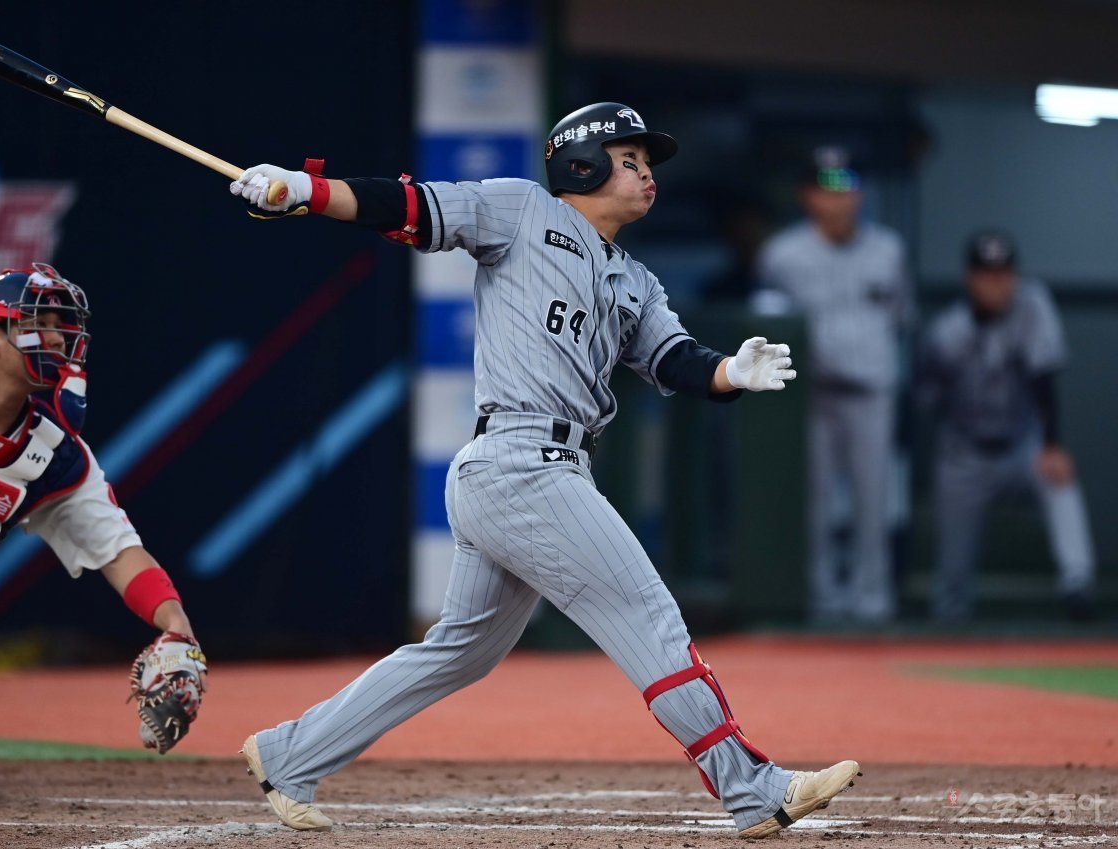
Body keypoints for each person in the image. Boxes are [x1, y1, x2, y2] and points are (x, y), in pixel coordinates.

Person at [230, 102, 859, 838]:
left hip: (536, 470)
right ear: (581, 165)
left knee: (460, 651)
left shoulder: (636, 279)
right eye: (631, 160)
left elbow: (673, 359)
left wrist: (730, 372)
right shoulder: (522, 209)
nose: (647, 174)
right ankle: (750, 787)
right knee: (649, 617)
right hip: (521, 461)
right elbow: (408, 206)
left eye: (648, 163)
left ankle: (291, 753)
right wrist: (305, 191)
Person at [0, 264, 207, 806]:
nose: (56, 337)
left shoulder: (55, 455)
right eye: (38, 322)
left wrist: (177, 630)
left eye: (62, 325)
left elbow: (119, 552)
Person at [755, 146, 913, 624]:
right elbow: (766, 324)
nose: (838, 198)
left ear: (860, 194)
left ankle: (872, 599)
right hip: (813, 393)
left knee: (874, 500)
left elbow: (902, 319)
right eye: (826, 188)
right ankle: (821, 596)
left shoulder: (889, 250)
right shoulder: (782, 254)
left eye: (847, 187)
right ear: (808, 196)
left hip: (872, 392)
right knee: (816, 502)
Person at [919, 231, 1096, 622]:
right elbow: (927, 398)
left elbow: (1045, 378)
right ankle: (949, 630)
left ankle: (1077, 583)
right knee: (951, 585)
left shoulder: (1033, 304)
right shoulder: (947, 332)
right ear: (970, 278)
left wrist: (1052, 444)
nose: (997, 284)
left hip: (1021, 447)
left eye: (1004, 273)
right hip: (964, 455)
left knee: (1058, 476)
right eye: (987, 274)